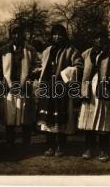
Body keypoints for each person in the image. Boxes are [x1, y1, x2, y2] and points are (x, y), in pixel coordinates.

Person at [78, 28, 110, 162]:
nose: (99, 40)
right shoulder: (87, 53)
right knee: (89, 120)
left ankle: (104, 150)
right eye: (96, 38)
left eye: (102, 37)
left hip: (104, 90)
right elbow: (79, 69)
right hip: (89, 90)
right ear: (93, 40)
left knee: (103, 120)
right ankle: (88, 149)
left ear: (106, 39)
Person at [37, 24, 83, 157]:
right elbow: (42, 65)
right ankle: (50, 146)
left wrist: (68, 72)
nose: (57, 37)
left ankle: (60, 146)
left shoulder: (71, 50)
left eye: (60, 34)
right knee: (47, 117)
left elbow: (79, 65)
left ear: (64, 36)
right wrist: (39, 71)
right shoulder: (47, 51)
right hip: (48, 87)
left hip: (62, 87)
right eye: (55, 34)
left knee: (61, 118)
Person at [0, 26, 40, 147]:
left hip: (24, 87)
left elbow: (37, 65)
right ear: (11, 35)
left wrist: (31, 76)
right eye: (14, 34)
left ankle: (26, 142)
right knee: (10, 114)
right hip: (9, 86)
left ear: (23, 35)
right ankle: (10, 141)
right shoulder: (4, 50)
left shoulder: (30, 49)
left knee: (25, 114)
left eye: (19, 34)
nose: (16, 36)